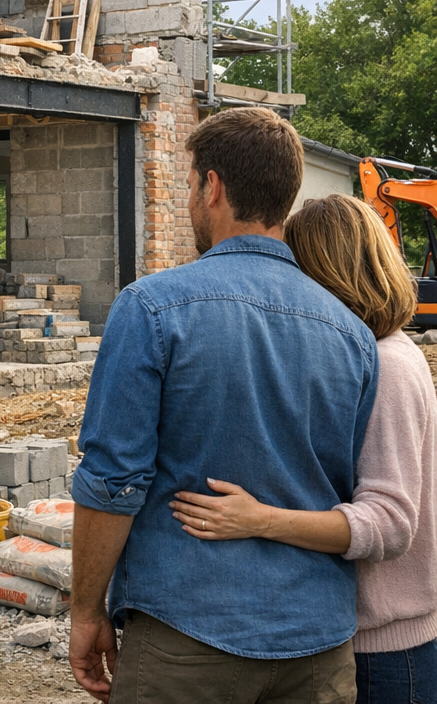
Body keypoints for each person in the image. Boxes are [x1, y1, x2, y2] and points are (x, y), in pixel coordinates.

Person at [69, 107, 378, 703]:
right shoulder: (352, 333)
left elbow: (112, 480)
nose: (188, 200)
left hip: (188, 637)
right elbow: (351, 486)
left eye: (188, 184)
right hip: (320, 646)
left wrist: (87, 610)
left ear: (212, 187)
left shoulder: (152, 308)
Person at [171, 194, 437, 704]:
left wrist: (258, 519)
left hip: (384, 652)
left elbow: (390, 522)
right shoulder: (362, 355)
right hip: (344, 638)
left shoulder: (390, 366)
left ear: (323, 271)